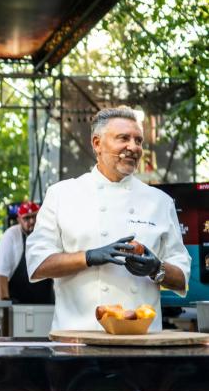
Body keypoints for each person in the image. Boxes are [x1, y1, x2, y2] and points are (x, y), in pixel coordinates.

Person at [26, 107, 191, 331]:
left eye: (138, 140)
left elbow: (182, 278)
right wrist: (89, 257)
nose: (134, 147)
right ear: (97, 143)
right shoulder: (62, 194)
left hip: (142, 340)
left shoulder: (160, 201)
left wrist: (156, 268)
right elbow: (37, 263)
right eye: (123, 138)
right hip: (78, 337)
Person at [0, 201, 53, 304]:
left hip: (46, 305)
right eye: (26, 218)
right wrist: (4, 305)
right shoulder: (11, 235)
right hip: (17, 306)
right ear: (19, 220)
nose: (32, 221)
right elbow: (1, 274)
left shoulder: (49, 235)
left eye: (35, 216)